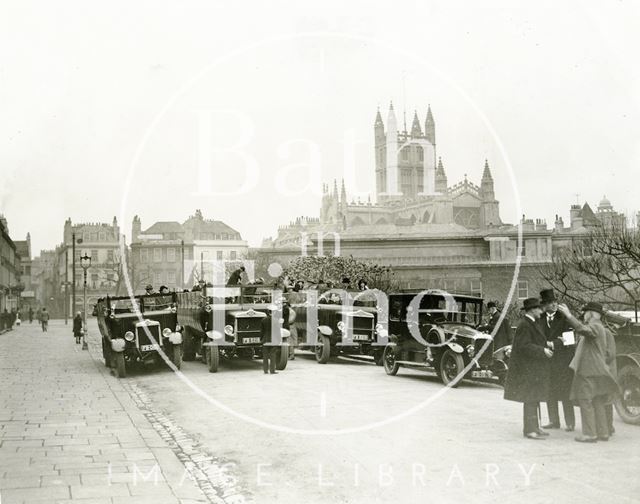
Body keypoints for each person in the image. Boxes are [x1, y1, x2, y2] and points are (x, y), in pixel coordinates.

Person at [557, 301, 619, 442]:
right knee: (597, 400)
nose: (583, 316)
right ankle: (603, 433)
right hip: (597, 369)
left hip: (588, 370)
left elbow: (583, 330)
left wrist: (568, 315)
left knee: (585, 400)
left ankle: (589, 434)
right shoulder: (600, 327)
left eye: (585, 313)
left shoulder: (595, 326)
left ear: (590, 313)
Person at [503, 297, 553, 440]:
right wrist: (542, 351)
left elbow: (533, 342)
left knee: (534, 397)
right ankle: (529, 430)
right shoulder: (525, 325)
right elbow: (524, 346)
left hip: (534, 368)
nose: (541, 310)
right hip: (527, 369)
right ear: (532, 310)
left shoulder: (532, 323)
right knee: (530, 398)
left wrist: (545, 346)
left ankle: (536, 427)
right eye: (539, 308)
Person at [538, 289, 576, 431]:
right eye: (549, 303)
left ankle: (570, 422)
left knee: (565, 392)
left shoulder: (564, 318)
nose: (553, 305)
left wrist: (552, 343)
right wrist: (551, 342)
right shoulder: (539, 318)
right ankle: (554, 421)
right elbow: (536, 338)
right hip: (546, 361)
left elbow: (570, 340)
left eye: (554, 302)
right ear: (544, 305)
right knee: (549, 391)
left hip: (563, 361)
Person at [260, 306, 278, 374]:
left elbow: (262, 331)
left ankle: (265, 370)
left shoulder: (263, 320)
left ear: (268, 312)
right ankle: (272, 370)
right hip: (273, 340)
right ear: (275, 312)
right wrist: (278, 340)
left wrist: (261, 339)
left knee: (265, 356)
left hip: (265, 339)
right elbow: (277, 332)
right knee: (273, 355)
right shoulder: (276, 321)